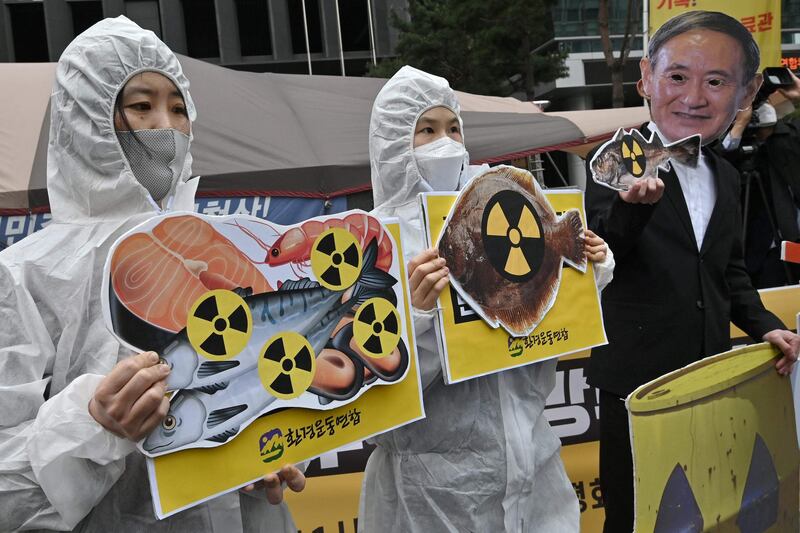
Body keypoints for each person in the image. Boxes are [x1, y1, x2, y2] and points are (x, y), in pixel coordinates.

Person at [0, 17, 304, 531]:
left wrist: (277, 445)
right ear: (86, 117)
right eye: (141, 106)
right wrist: (92, 424)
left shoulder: (222, 245)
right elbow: (9, 490)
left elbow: (269, 378)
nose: (167, 126)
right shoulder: (25, 275)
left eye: (179, 108)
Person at [358, 65, 613, 532]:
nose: (447, 142)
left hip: (533, 465)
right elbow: (370, 404)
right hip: (436, 490)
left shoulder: (502, 212)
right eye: (426, 130)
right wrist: (419, 319)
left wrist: (582, 273)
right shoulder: (372, 247)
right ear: (393, 143)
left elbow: (538, 331)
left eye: (453, 127)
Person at [584, 11, 800, 532]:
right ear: (646, 79)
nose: (694, 97)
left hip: (711, 379)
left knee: (713, 510)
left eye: (716, 81)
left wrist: (765, 324)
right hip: (637, 386)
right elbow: (599, 260)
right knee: (639, 516)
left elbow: (729, 271)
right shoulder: (612, 161)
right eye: (678, 77)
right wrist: (635, 208)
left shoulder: (725, 174)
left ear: (745, 95)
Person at [720, 97, 800, 288]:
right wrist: (739, 125)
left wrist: (797, 100)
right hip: (755, 253)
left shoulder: (787, 139)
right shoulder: (723, 145)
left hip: (791, 246)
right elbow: (718, 167)